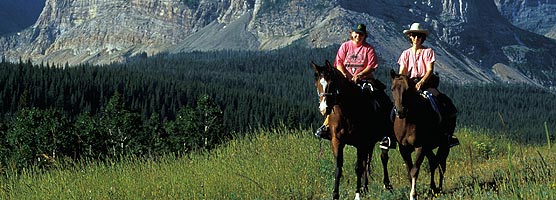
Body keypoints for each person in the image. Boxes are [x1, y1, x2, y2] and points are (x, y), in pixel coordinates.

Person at [315, 23, 395, 149]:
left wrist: (359, 74)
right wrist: (344, 75)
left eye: (361, 34)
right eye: (356, 33)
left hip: (364, 79)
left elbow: (371, 66)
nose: (358, 36)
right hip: (346, 80)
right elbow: (339, 62)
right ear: (351, 34)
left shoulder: (368, 49)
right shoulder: (345, 46)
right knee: (334, 99)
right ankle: (326, 126)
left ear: (364, 36)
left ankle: (385, 131)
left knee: (380, 98)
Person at [397, 22, 459, 147]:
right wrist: (403, 81)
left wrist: (422, 82)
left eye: (419, 37)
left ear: (422, 38)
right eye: (414, 36)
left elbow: (430, 69)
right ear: (410, 37)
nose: (416, 39)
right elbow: (402, 71)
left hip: (426, 83)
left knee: (443, 102)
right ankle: (391, 134)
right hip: (410, 83)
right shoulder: (405, 54)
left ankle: (446, 134)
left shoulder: (428, 52)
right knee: (396, 106)